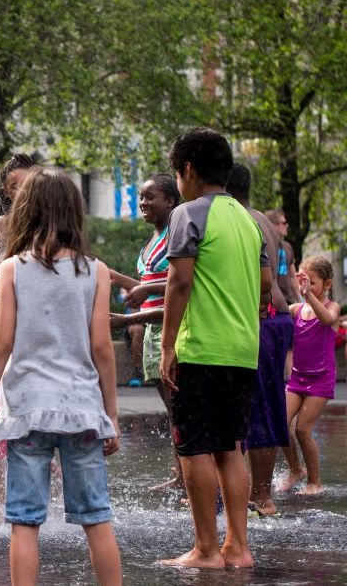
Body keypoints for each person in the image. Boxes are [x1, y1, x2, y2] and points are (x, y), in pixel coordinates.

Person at [0, 167, 122, 586]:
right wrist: (111, 413)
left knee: (24, 520)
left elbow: (0, 345)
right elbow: (102, 349)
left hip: (28, 411)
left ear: (25, 212)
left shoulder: (12, 270)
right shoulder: (96, 271)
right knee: (96, 518)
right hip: (80, 409)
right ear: (75, 213)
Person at [158, 128, 270, 569]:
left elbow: (180, 280)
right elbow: (263, 286)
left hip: (202, 348)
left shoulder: (188, 214)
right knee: (230, 447)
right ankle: (238, 548)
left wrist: (168, 344)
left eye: (177, 174)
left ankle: (205, 549)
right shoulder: (248, 220)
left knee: (195, 447)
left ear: (188, 170)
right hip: (243, 350)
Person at [108, 174, 183, 492]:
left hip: (169, 328)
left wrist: (127, 316)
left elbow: (181, 283)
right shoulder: (154, 238)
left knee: (180, 408)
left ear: (171, 200)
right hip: (152, 328)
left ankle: (188, 479)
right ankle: (181, 475)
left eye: (151, 197)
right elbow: (145, 289)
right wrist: (113, 276)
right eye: (141, 196)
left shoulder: (176, 235)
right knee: (172, 409)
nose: (143, 202)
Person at [227, 163, 292, 517]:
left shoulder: (242, 218)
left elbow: (261, 283)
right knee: (254, 407)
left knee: (261, 409)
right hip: (273, 319)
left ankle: (263, 498)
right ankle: (252, 493)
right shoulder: (260, 218)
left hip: (263, 319)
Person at [279, 256, 340, 496]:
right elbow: (276, 312)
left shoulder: (330, 307)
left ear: (327, 284)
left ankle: (315, 482)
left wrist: (308, 296)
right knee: (280, 425)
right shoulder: (297, 309)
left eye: (312, 282)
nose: (307, 287)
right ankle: (296, 469)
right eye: (304, 281)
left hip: (320, 380)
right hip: (297, 378)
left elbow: (328, 319)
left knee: (303, 429)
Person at [0, 154, 36, 255]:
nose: (22, 190)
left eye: (27, 182)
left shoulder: (50, 222)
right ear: (6, 192)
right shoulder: (0, 225)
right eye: (14, 186)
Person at [266, 209, 300, 305]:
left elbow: (293, 276)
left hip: (289, 302)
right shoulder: (264, 247)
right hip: (271, 303)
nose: (287, 225)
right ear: (273, 226)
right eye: (284, 223)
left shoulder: (287, 247)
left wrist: (300, 301)